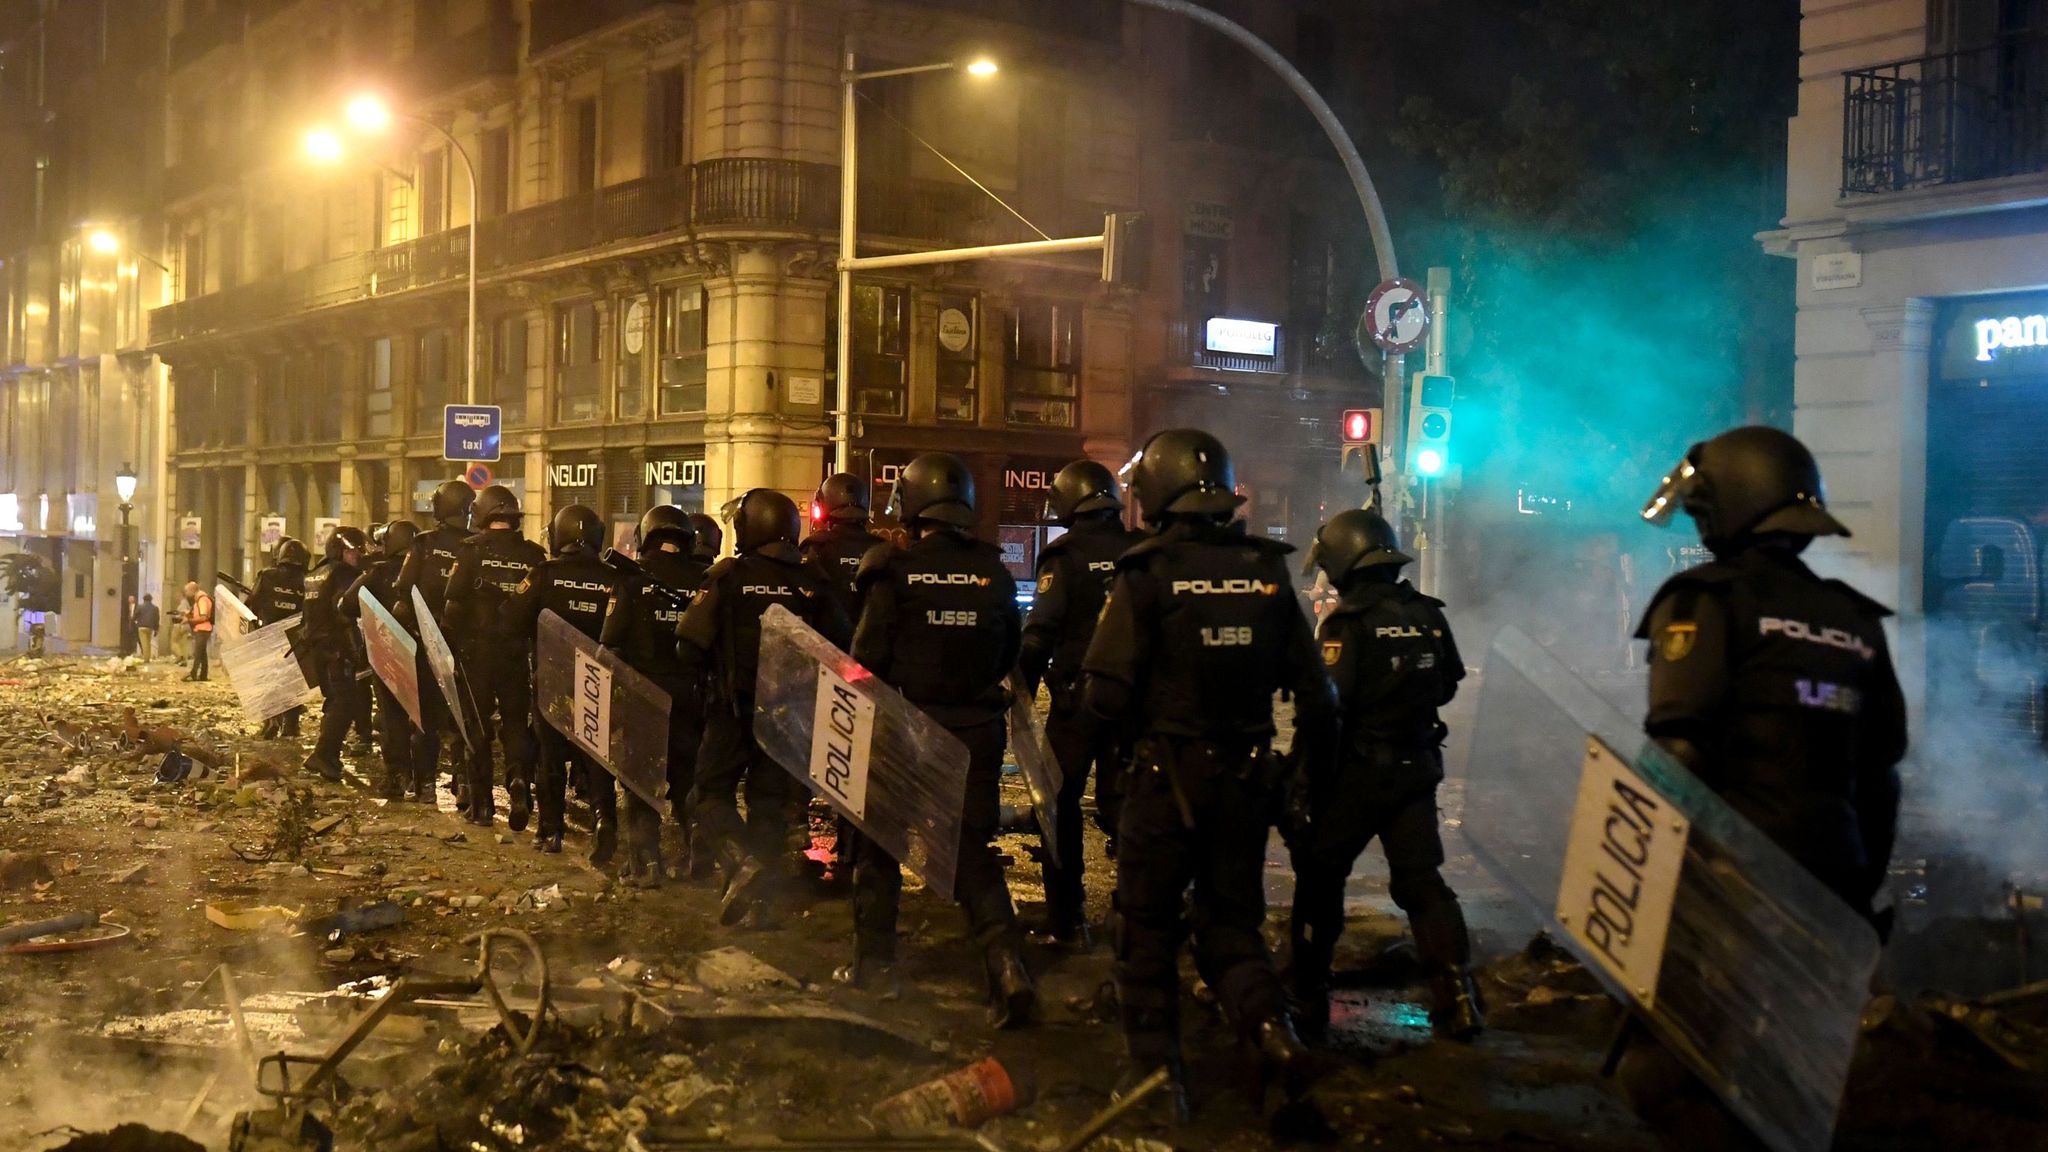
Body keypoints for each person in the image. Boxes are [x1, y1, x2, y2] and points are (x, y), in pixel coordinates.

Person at [1619, 426, 1908, 1149]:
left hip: (1730, 885)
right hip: (1835, 885)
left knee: (1674, 1075)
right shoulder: (1854, 619)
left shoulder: (1706, 600)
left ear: (1733, 505)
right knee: (1795, 1076)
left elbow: (1678, 754)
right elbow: (1881, 781)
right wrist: (1853, 898)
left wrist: (1645, 886)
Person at [1081, 428, 1334, 1121]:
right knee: (1231, 926)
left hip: (1167, 781)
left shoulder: (1147, 571)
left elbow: (1102, 693)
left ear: (1157, 492)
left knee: (1146, 931)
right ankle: (1275, 1040)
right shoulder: (1269, 571)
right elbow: (1319, 695)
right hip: (1247, 783)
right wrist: (1299, 775)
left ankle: (1159, 1082)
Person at [838, 454, 1035, 1026]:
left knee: (880, 847)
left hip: (907, 729)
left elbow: (865, 659)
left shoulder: (892, 569)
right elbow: (1008, 654)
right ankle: (1005, 966)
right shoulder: (993, 572)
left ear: (911, 504)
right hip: (976, 732)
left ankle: (873, 970)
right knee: (970, 852)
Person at [1290, 509, 1481, 1043]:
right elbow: (1448, 685)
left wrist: (1304, 779)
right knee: (1422, 884)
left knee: (1322, 878)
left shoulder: (1346, 624)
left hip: (1357, 775)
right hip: (1415, 768)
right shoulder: (1429, 614)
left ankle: (1306, 993)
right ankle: (1459, 997)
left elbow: (1328, 710)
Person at [676, 489, 849, 926]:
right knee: (768, 806)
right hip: (791, 716)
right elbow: (844, 649)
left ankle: (740, 862)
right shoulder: (815, 582)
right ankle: (763, 906)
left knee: (708, 794)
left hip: (733, 711)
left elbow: (689, 644)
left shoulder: (729, 575)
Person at [1018, 459, 1142, 945]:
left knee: (1057, 805)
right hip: (1131, 705)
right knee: (1128, 809)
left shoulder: (1064, 557)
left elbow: (1040, 634)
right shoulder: (1139, 551)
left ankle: (1067, 921)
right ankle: (1133, 918)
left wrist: (1020, 699)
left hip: (1076, 707)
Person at [600, 505, 710, 886]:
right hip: (692, 695)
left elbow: (609, 642)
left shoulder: (630, 580)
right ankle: (699, 852)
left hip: (642, 692)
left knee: (639, 779)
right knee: (687, 776)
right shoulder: (703, 579)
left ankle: (646, 864)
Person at [503, 505, 616, 856]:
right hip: (598, 678)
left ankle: (551, 832)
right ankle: (604, 820)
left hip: (551, 677)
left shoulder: (544, 574)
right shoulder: (614, 577)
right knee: (597, 753)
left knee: (550, 756)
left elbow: (511, 618)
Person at [444, 486, 546, 828]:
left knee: (477, 725)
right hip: (516, 655)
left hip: (478, 655)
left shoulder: (471, 551)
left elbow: (452, 599)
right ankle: (518, 783)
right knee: (516, 723)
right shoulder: (534, 555)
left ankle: (483, 805)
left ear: (482, 514)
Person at [800, 472, 877, 885]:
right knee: (859, 769)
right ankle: (853, 856)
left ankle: (813, 856)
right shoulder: (882, 551)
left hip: (823, 672)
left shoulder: (814, 550)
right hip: (870, 677)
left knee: (817, 766)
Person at [395, 481, 477, 803]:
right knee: (465, 718)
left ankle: (426, 784)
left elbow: (403, 590)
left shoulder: (424, 544)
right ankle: (465, 784)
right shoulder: (476, 545)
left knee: (426, 718)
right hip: (465, 645)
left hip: (426, 643)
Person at [343, 520, 425, 801]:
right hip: (423, 655)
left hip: (388, 655)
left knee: (393, 717)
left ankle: (398, 775)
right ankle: (424, 781)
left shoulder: (378, 572)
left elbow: (347, 603)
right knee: (423, 716)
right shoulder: (425, 568)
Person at [301, 526, 370, 781]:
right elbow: (345, 609)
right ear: (340, 551)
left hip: (318, 649)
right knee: (345, 704)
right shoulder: (342, 574)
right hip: (337, 648)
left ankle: (328, 756)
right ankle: (323, 755)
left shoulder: (314, 574)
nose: (358, 556)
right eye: (353, 551)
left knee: (334, 702)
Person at [253, 538, 311, 739]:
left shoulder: (267, 576)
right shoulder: (309, 580)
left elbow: (251, 603)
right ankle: (291, 726)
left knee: (269, 682)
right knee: (293, 684)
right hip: (297, 640)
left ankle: (271, 722)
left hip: (269, 638)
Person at [183, 582, 214, 681]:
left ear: (192, 590)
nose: (186, 593)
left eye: (187, 591)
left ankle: (193, 673)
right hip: (202, 629)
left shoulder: (202, 600)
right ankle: (203, 675)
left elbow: (203, 617)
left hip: (203, 629)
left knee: (198, 653)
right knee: (202, 653)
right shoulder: (199, 600)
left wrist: (189, 620)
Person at [135, 594, 160, 663]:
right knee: (148, 642)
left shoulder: (140, 607)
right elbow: (157, 619)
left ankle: (146, 659)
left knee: (144, 643)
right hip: (150, 627)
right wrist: (156, 629)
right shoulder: (155, 608)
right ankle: (148, 657)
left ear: (143, 599)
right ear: (151, 599)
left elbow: (135, 616)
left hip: (141, 627)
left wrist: (135, 621)